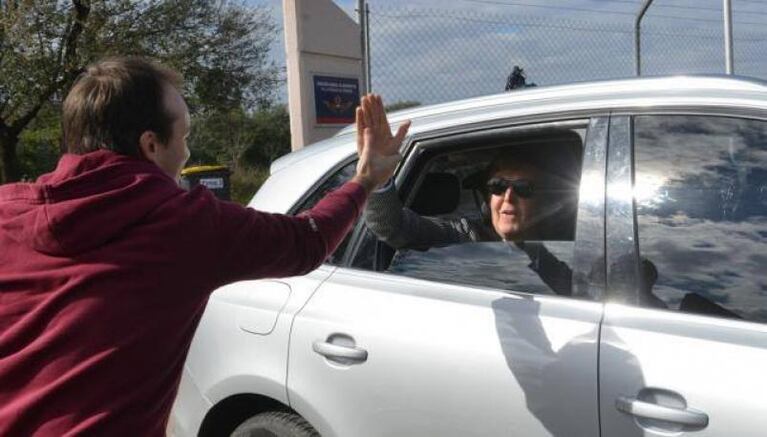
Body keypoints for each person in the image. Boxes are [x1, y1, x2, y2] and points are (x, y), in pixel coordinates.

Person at [0, 57, 409, 436]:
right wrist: (365, 179)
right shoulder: (180, 223)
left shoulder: (6, 211)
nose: (187, 152)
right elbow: (309, 239)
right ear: (151, 145)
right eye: (185, 136)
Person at [365, 134, 582, 295]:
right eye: (497, 186)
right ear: (488, 196)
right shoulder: (466, 235)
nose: (508, 197)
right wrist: (378, 179)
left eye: (523, 188)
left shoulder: (573, 245)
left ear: (546, 201)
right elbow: (392, 226)